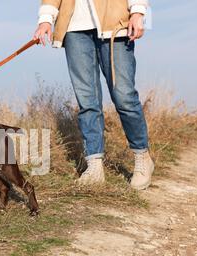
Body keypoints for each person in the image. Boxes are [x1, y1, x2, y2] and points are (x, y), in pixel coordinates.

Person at [34, 0, 154, 190]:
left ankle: (142, 156)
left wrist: (138, 11)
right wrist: (46, 19)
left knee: (124, 97)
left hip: (116, 24)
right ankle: (94, 166)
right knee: (87, 102)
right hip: (74, 28)